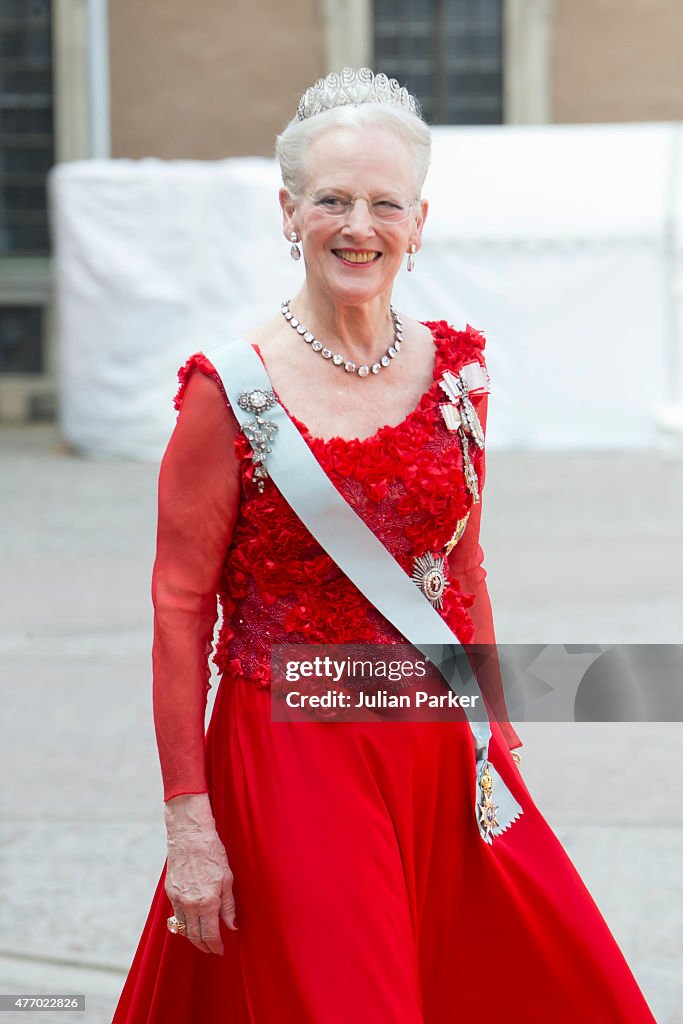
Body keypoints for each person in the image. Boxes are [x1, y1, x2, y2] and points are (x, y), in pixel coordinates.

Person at [112, 68, 657, 1023]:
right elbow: (178, 607)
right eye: (331, 200)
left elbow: (466, 568)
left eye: (382, 203)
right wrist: (188, 815)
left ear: (419, 220)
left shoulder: (461, 371)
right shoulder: (226, 392)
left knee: (533, 982)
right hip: (291, 754)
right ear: (289, 213)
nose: (357, 225)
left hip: (439, 746)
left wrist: (497, 745)